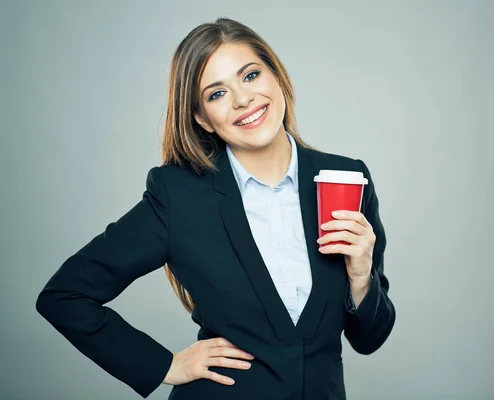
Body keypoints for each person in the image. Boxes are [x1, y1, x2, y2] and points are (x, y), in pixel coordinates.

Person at [35, 17, 395, 400]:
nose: (242, 99)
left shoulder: (346, 179)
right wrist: (165, 365)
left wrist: (361, 278)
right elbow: (64, 295)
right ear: (201, 118)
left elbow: (370, 338)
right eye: (217, 94)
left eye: (251, 75)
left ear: (277, 77)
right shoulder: (179, 196)